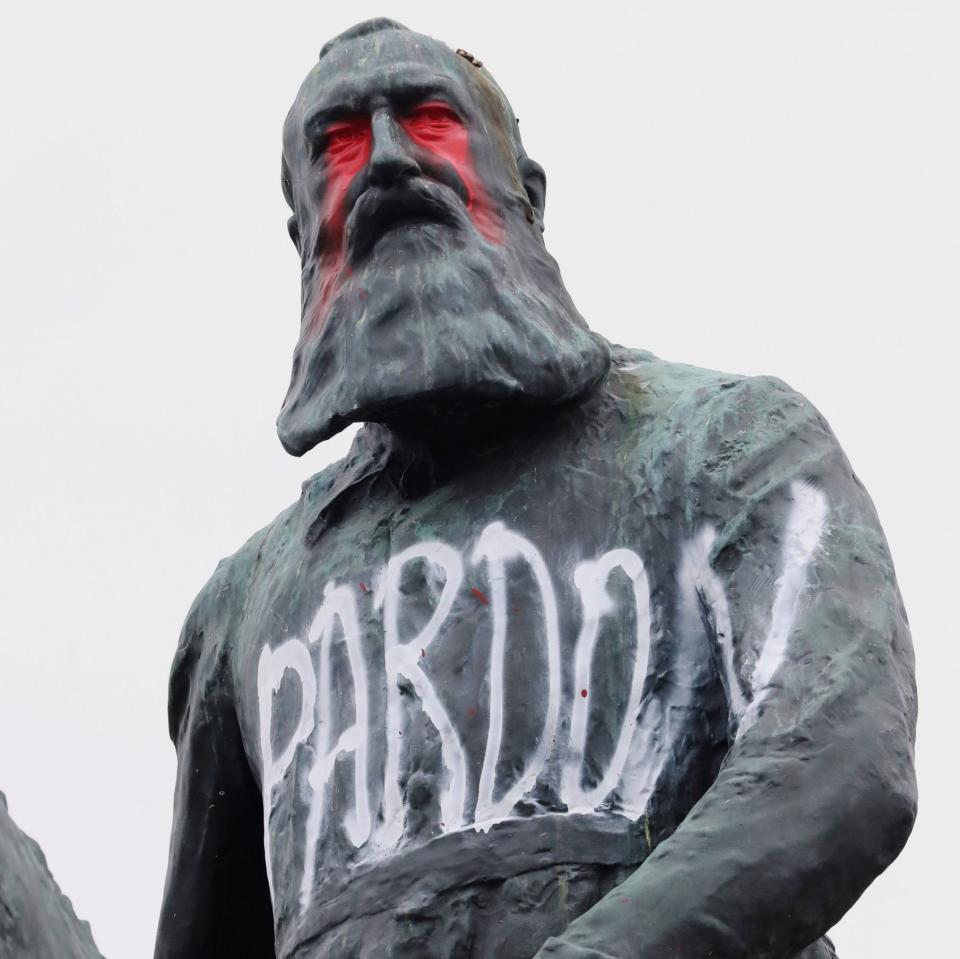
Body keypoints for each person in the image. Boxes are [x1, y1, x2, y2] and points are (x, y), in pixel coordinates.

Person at [154, 19, 916, 959]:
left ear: (529, 197)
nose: (388, 161)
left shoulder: (726, 447)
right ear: (303, 234)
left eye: (429, 120)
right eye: (341, 142)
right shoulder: (240, 613)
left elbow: (842, 761)